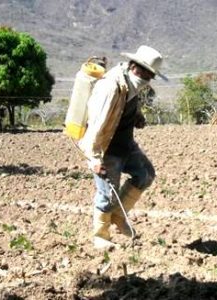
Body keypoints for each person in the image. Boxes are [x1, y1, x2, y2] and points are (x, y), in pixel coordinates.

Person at [78, 45, 166, 249]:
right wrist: (94, 159)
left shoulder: (132, 85)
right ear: (134, 66)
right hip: (106, 147)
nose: (147, 78)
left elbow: (125, 105)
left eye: (150, 75)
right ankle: (100, 235)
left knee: (145, 175)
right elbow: (97, 123)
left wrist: (137, 116)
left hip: (125, 143)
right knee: (108, 193)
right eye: (145, 72)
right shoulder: (110, 86)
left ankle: (118, 215)